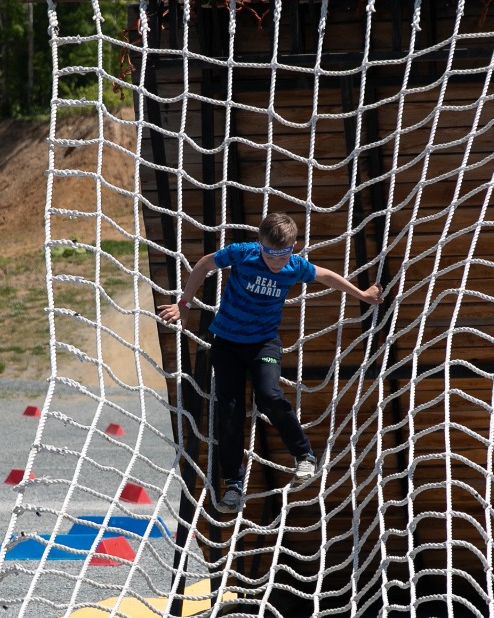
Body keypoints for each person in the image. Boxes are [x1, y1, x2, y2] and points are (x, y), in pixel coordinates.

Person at [157, 213, 383, 514]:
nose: (276, 261)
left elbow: (326, 275)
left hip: (263, 343)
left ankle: (304, 455)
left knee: (269, 394)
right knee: (230, 411)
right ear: (260, 244)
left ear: (293, 247)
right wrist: (184, 304)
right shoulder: (243, 254)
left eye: (283, 253)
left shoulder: (294, 266)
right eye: (270, 253)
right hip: (226, 342)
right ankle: (234, 485)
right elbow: (204, 264)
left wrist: (362, 294)